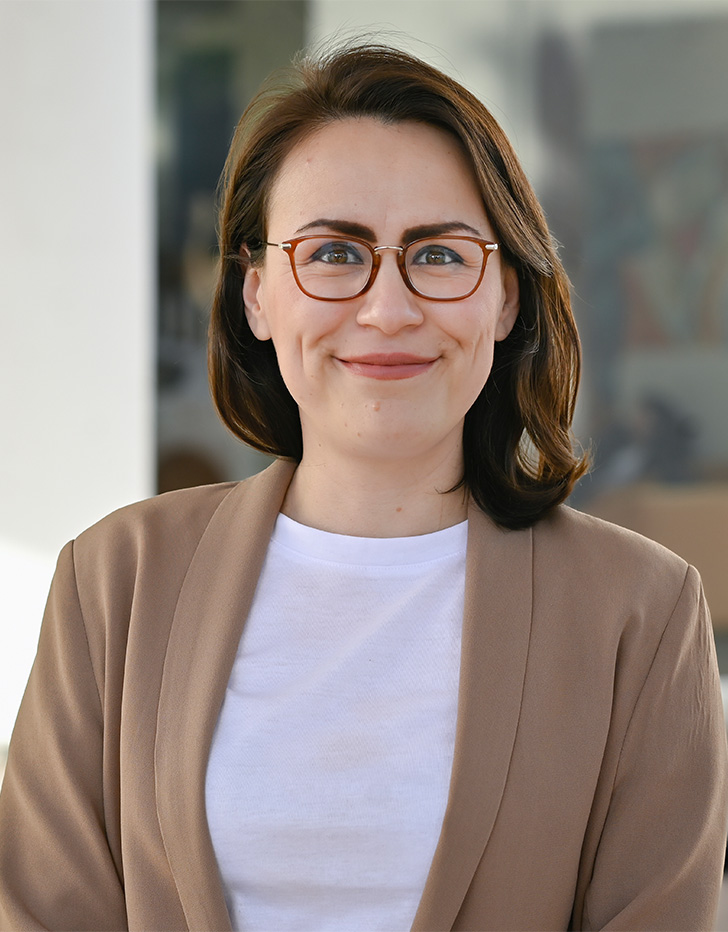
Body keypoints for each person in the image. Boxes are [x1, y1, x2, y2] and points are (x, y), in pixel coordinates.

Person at [0, 42, 726, 932]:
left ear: (503, 296)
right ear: (257, 296)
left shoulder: (640, 612)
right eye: (336, 252)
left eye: (440, 255)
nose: (387, 309)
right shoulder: (114, 580)